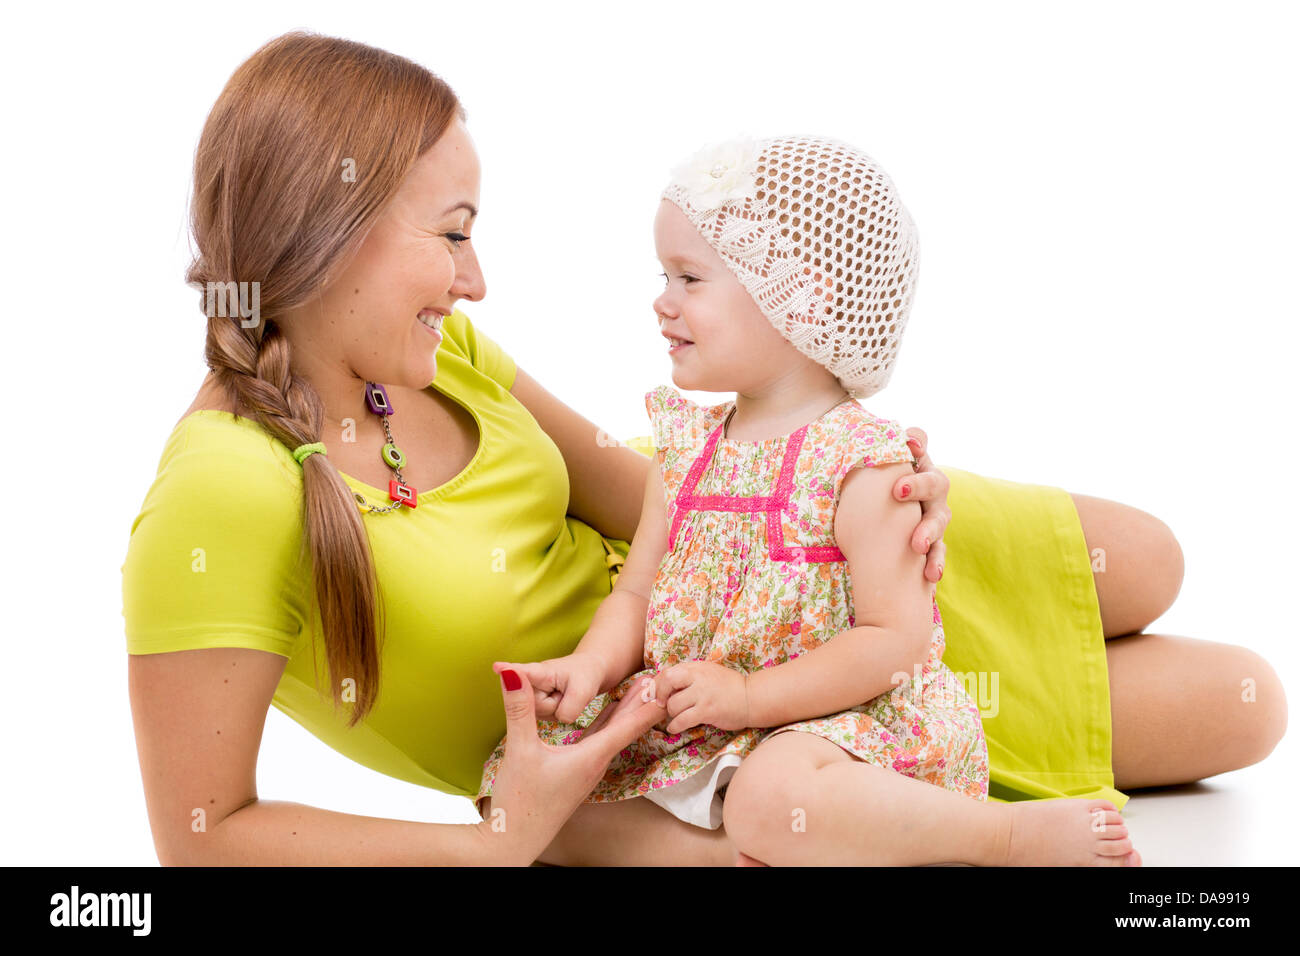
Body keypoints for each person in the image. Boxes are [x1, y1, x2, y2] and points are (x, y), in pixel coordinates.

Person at [122, 31, 1285, 867]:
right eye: (455, 234)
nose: (476, 278)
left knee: (1148, 560)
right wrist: (495, 844)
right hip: (720, 733)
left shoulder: (443, 351)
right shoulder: (223, 491)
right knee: (1242, 711)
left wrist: (852, 482)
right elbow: (204, 836)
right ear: (330, 229)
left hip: (780, 550)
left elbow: (645, 494)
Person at [477, 135, 1143, 866]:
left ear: (802, 298)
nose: (661, 302)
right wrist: (591, 668)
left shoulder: (861, 465)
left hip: (839, 727)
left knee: (774, 795)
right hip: (707, 721)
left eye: (691, 278)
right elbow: (636, 593)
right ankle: (755, 852)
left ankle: (1004, 838)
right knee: (514, 789)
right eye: (663, 274)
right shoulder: (685, 451)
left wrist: (752, 698)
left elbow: (896, 641)